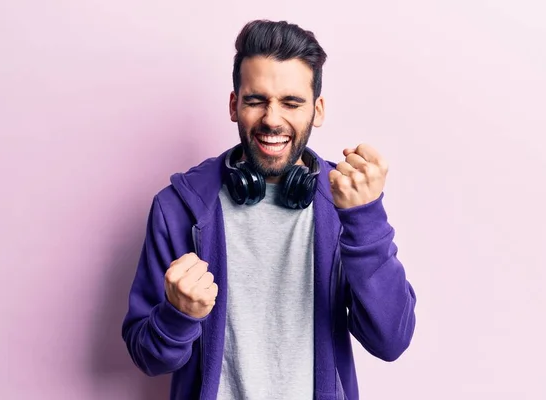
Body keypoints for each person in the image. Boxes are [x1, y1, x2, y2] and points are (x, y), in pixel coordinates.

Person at [121, 19, 417, 400]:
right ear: (234, 105)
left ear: (318, 110)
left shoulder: (347, 205)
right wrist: (178, 315)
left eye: (292, 103)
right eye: (256, 100)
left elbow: (390, 341)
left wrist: (365, 218)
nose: (272, 119)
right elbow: (147, 356)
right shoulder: (178, 207)